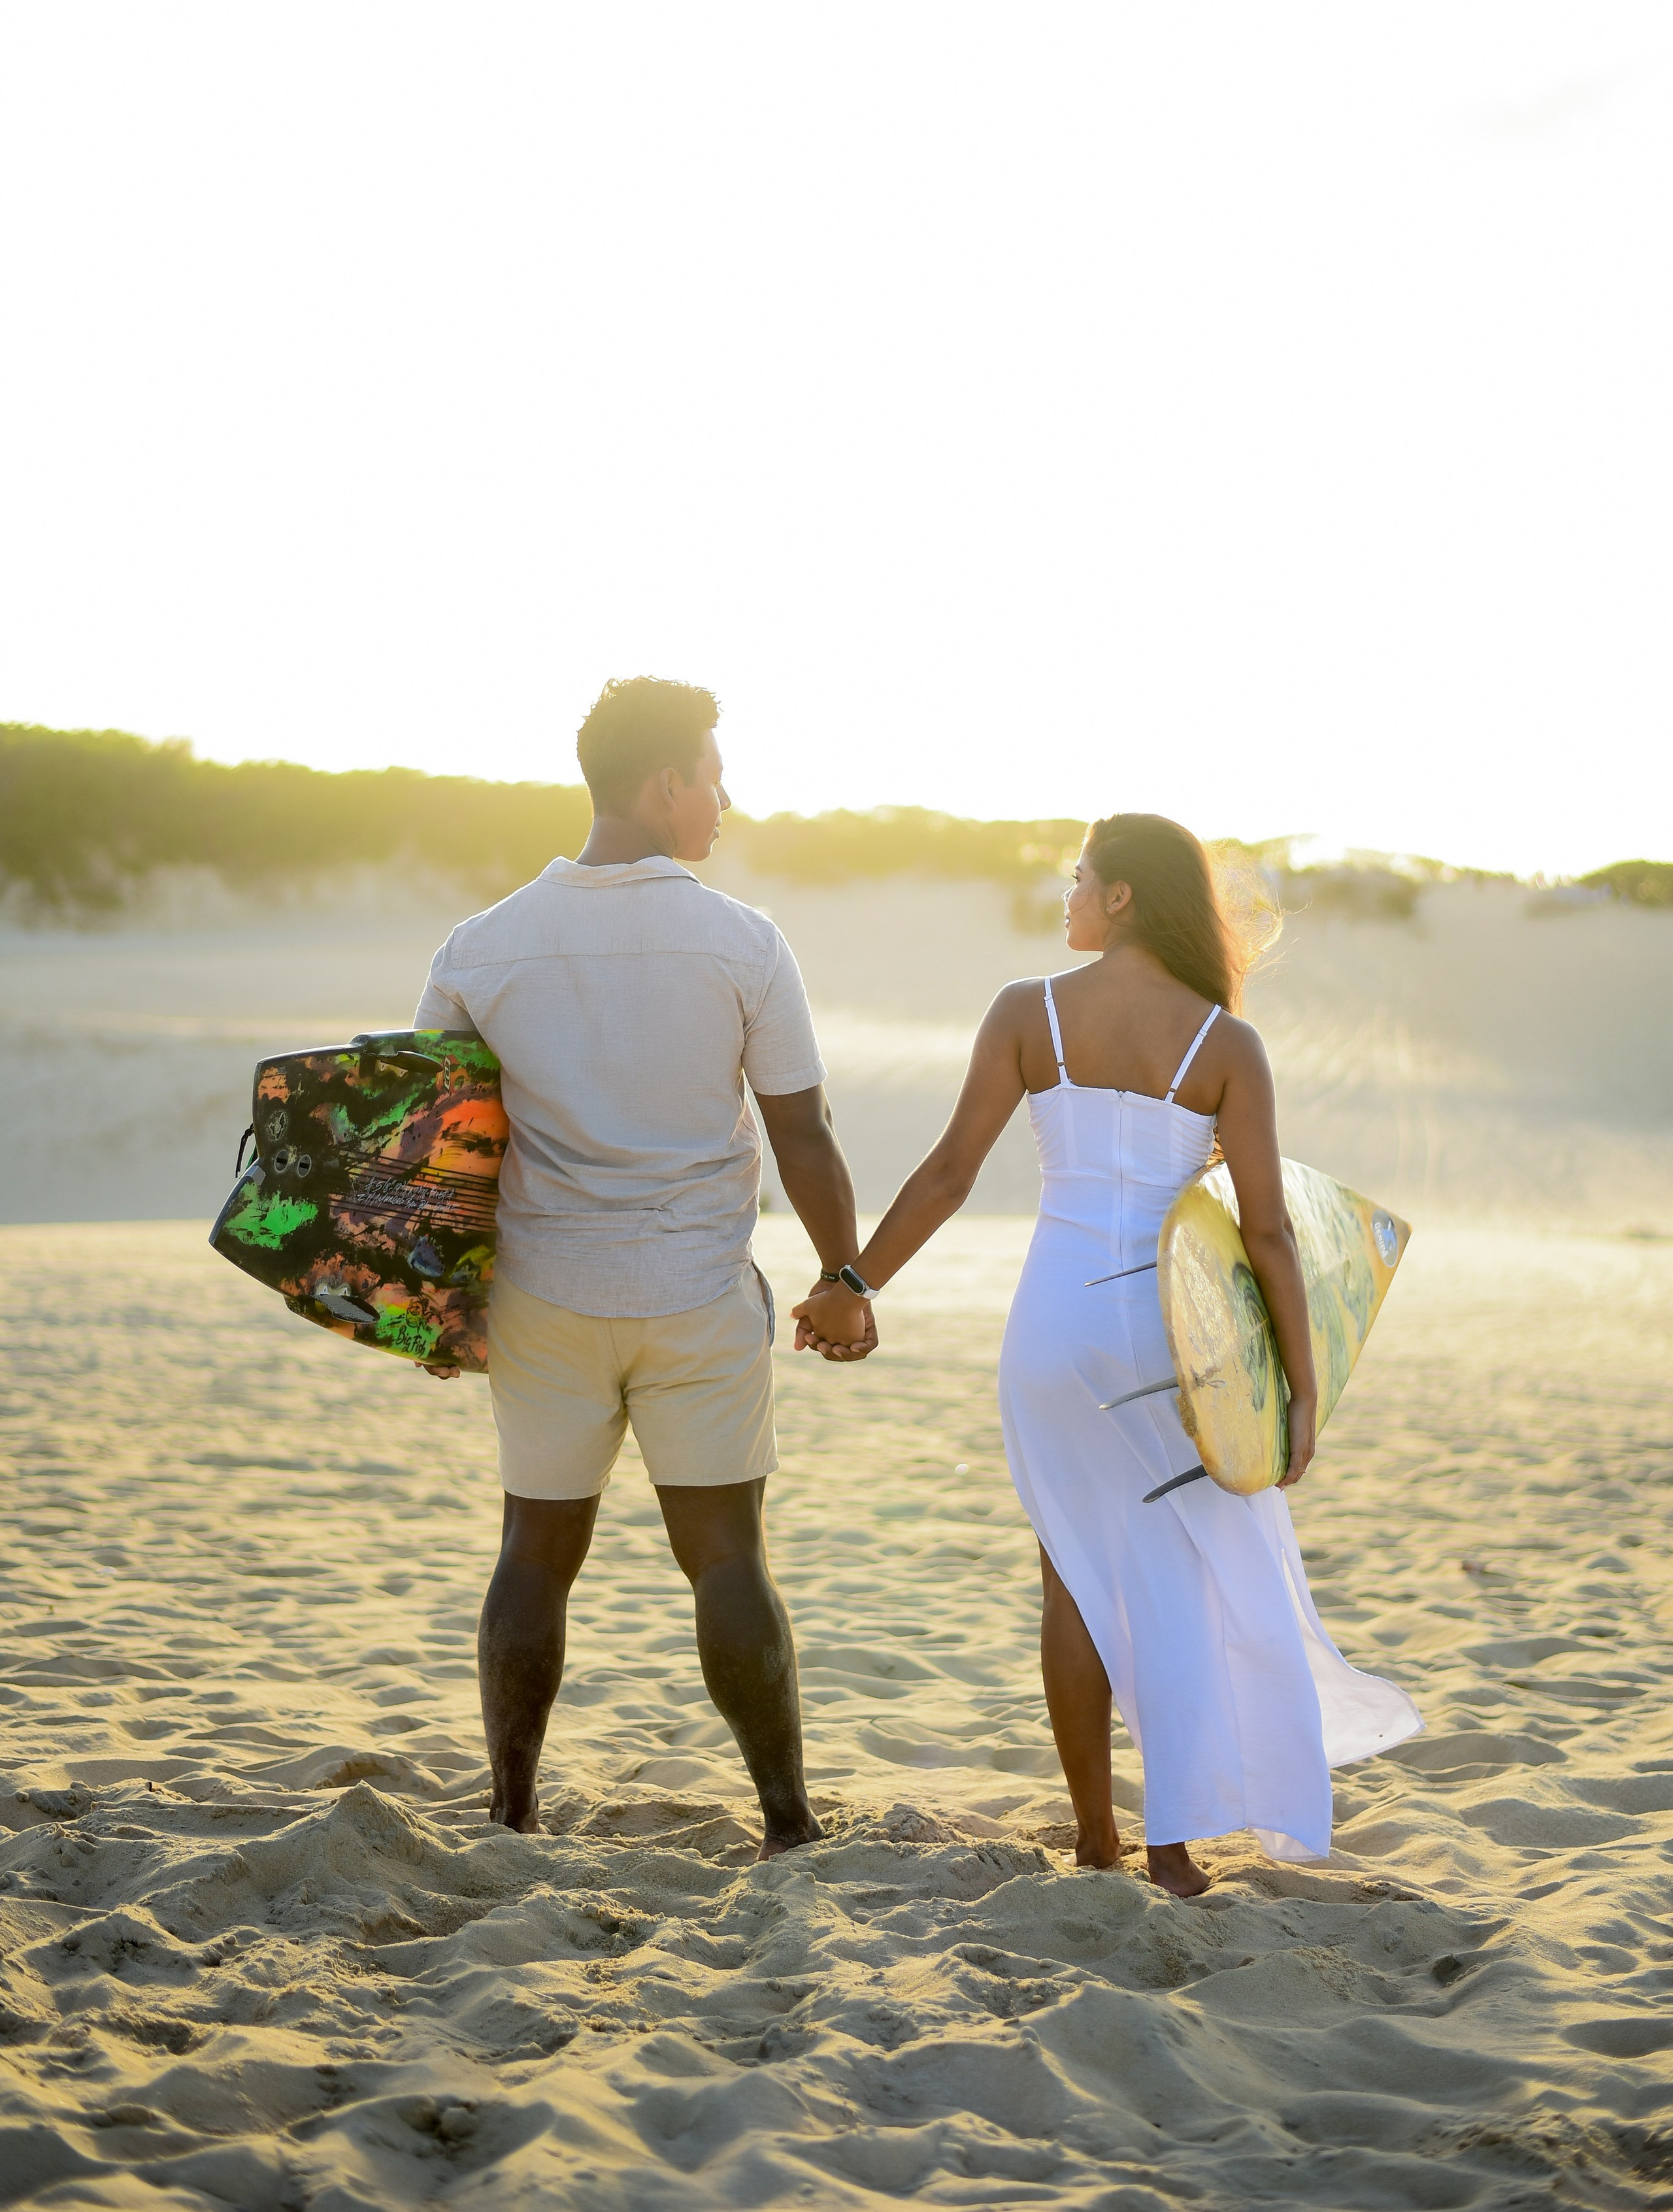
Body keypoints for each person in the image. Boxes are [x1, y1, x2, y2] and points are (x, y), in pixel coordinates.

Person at [793, 812, 1421, 1891]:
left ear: (1123, 895)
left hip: (1051, 1329)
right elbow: (1267, 1232)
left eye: (1081, 877)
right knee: (1173, 1580)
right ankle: (1170, 1847)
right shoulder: (1224, 1043)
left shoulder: (1027, 1012)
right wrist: (1303, 1390)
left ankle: (1096, 1835)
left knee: (1073, 1585)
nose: (1069, 894)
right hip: (1173, 1342)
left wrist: (853, 1285)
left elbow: (949, 1173)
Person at [415, 676, 876, 1858]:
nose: (724, 800)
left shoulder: (482, 947)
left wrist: (433, 1303)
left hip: (544, 1300)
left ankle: (512, 1810)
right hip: (694, 1296)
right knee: (726, 1555)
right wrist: (846, 1278)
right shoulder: (742, 941)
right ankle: (785, 1820)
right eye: (715, 777)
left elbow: (437, 1146)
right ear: (666, 783)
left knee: (535, 1551)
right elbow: (804, 1130)